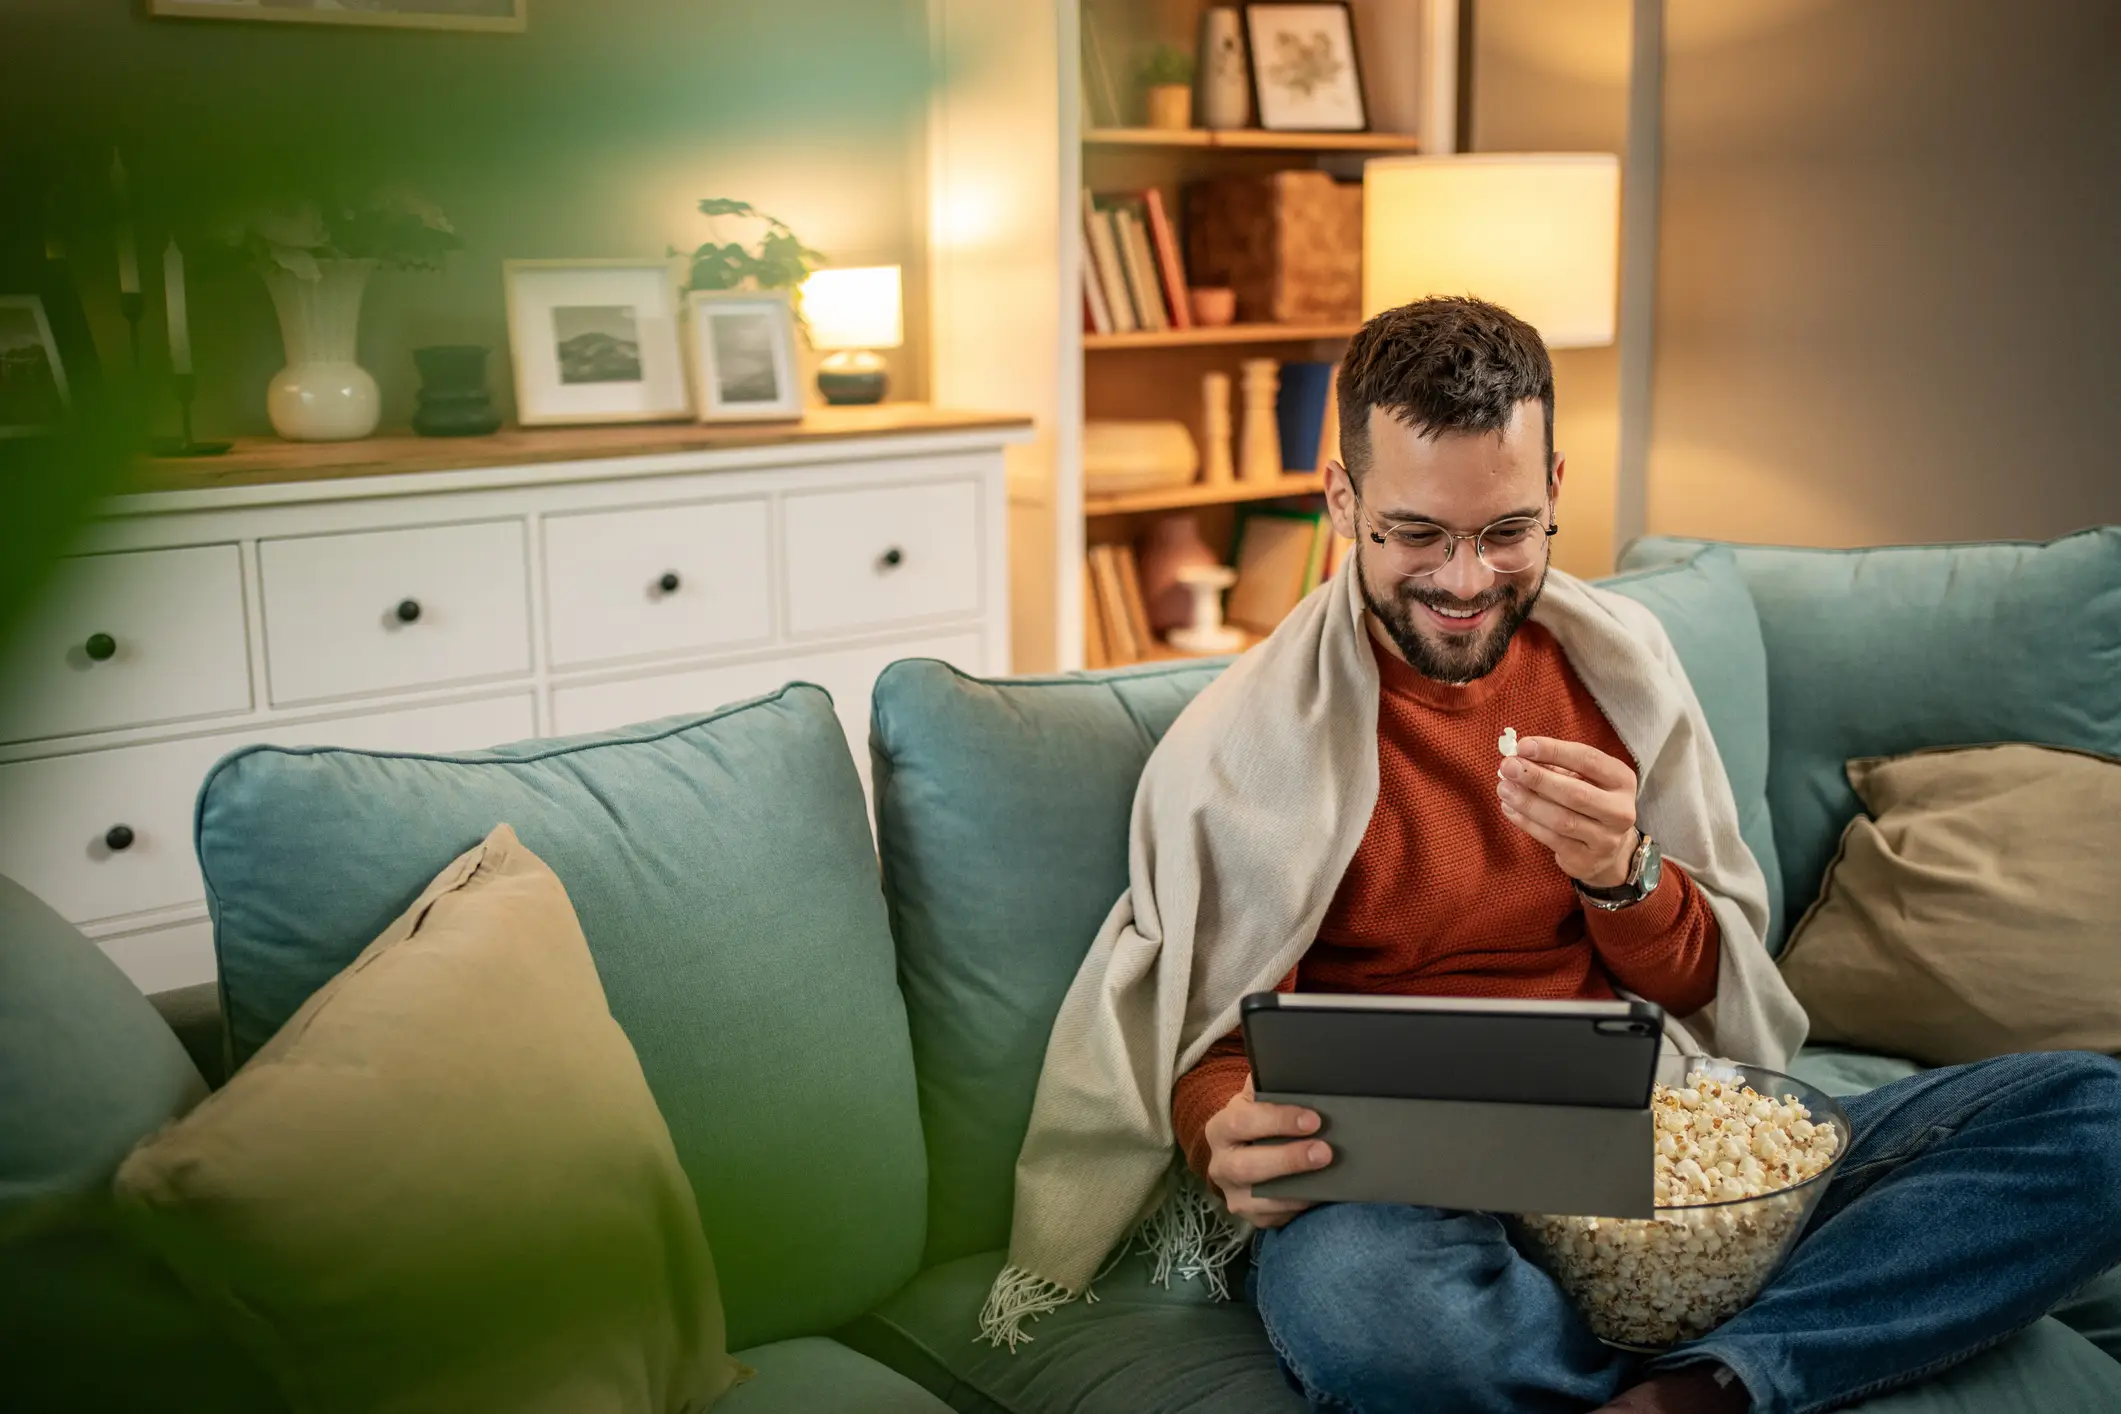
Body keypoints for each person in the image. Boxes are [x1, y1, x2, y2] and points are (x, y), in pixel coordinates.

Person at [983, 297, 2121, 1414]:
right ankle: (1727, 1342)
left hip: (1641, 1134)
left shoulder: (1620, 670)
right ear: (1342, 498)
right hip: (1399, 1187)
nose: (1467, 580)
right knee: (1369, 1310)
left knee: (2091, 1117)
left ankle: (1696, 1386)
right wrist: (1218, 1123)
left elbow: (1719, 993)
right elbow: (1203, 1030)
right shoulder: (1242, 745)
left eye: (1508, 531)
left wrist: (1625, 874)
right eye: (1417, 532)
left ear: (1556, 491)